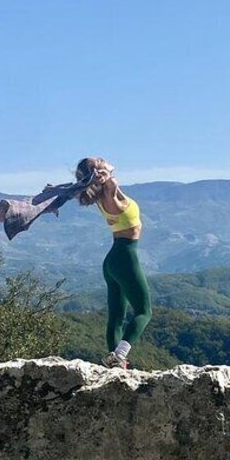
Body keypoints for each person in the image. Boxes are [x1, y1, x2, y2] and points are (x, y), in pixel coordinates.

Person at [75, 157, 152, 369]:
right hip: (126, 256)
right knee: (144, 312)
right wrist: (105, 172)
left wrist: (99, 173)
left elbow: (106, 174)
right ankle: (119, 355)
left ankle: (115, 364)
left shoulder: (101, 195)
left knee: (117, 316)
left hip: (112, 259)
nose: (105, 161)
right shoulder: (109, 191)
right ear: (98, 172)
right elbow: (110, 176)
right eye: (100, 162)